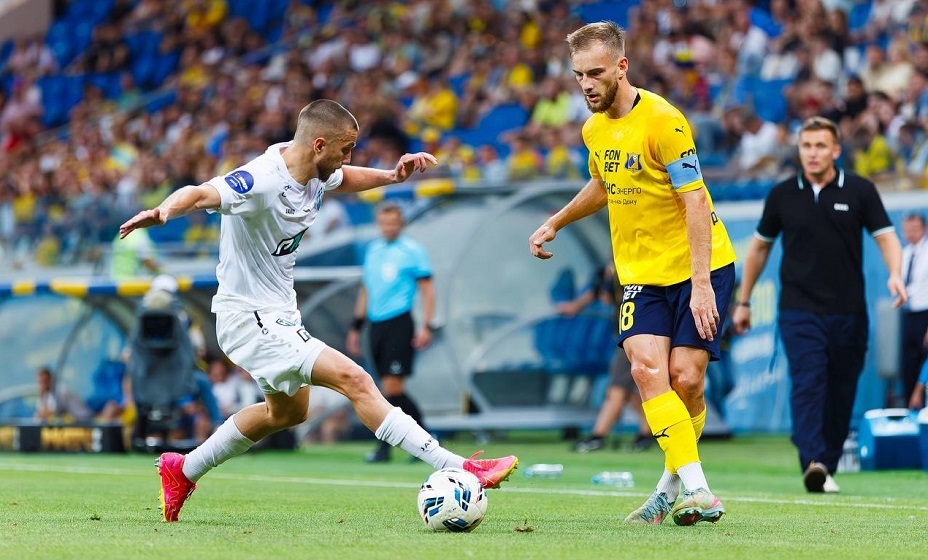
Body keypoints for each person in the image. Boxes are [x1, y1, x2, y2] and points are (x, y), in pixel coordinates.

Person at [118, 99, 517, 522]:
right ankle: (461, 466)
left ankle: (182, 469)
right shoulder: (259, 180)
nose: (349, 158)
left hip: (279, 314)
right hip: (249, 317)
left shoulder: (314, 171)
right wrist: (164, 211)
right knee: (355, 379)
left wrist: (390, 176)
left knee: (287, 413)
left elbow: (345, 178)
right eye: (346, 149)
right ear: (319, 144)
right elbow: (202, 193)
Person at [529, 22, 736, 526]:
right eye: (579, 75)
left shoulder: (665, 121)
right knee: (646, 372)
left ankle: (668, 489)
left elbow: (694, 201)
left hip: (698, 266)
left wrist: (702, 285)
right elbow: (604, 183)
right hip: (640, 274)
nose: (587, 85)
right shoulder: (593, 129)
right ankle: (700, 491)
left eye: (596, 73)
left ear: (622, 67)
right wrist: (557, 220)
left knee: (686, 380)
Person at [732, 116, 906, 494]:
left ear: (836, 150)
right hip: (798, 310)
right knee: (808, 382)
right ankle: (813, 460)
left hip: (849, 312)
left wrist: (895, 273)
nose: (812, 153)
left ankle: (824, 465)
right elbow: (759, 248)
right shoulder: (782, 195)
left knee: (841, 391)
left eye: (820, 146)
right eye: (806, 146)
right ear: (799, 150)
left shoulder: (860, 190)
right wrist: (743, 301)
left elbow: (887, 237)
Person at [346, 201, 435, 463]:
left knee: (393, 388)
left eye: (393, 223)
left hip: (399, 322)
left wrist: (426, 325)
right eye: (384, 223)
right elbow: (366, 290)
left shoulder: (412, 251)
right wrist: (356, 327)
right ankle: (404, 445)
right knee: (384, 389)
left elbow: (428, 291)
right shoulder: (373, 250)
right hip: (376, 325)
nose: (388, 227)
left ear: (401, 223)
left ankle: (421, 442)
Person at [559, 264, 652, 453]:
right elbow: (601, 292)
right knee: (629, 389)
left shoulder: (623, 266)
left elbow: (605, 295)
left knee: (617, 388)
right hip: (637, 332)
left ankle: (598, 435)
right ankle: (647, 432)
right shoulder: (622, 266)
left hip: (634, 332)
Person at [899, 213, 928, 406]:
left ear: (924, 229)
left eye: (915, 229)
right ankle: (911, 412)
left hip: (926, 314)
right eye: (907, 230)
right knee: (908, 367)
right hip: (909, 314)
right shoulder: (904, 254)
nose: (911, 234)